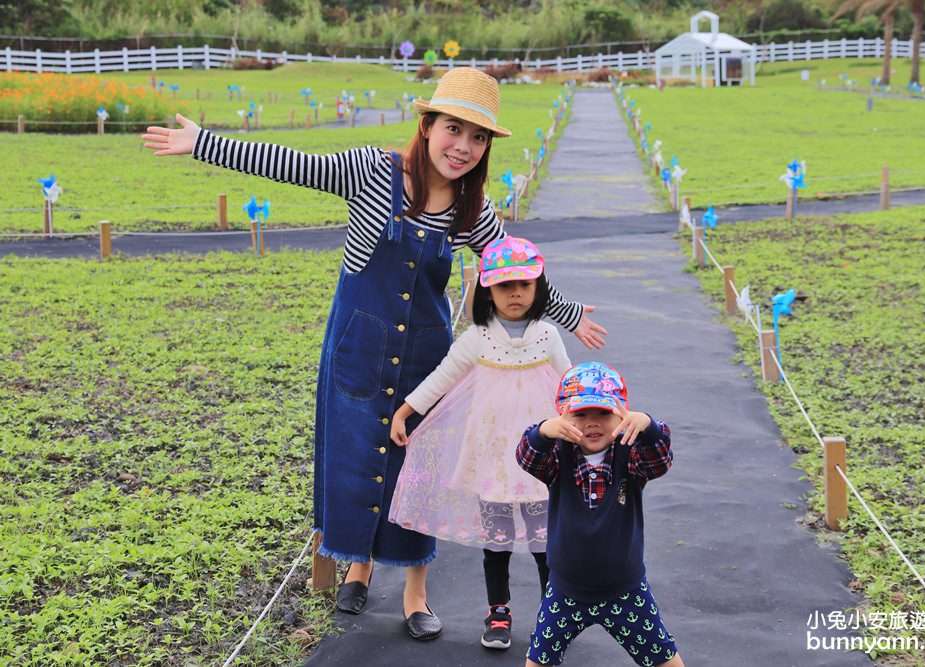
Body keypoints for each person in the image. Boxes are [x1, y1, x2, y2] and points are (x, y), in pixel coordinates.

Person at [140, 67, 608, 641]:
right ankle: (356, 567)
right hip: (359, 347)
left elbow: (517, 276)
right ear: (428, 123)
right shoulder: (371, 171)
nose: (463, 147)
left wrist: (571, 314)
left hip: (426, 354)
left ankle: (415, 592)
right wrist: (202, 142)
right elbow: (288, 163)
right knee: (357, 457)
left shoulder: (473, 210)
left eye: (477, 137)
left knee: (417, 470)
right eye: (453, 129)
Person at [388, 236, 571, 651]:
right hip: (491, 459)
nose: (516, 294)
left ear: (538, 287)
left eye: (525, 285)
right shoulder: (479, 337)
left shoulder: (547, 335)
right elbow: (443, 376)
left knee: (546, 545)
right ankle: (498, 612)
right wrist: (405, 411)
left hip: (540, 461)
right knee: (498, 543)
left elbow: (569, 385)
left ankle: (554, 614)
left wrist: (597, 424)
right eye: (506, 286)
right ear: (488, 289)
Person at [515, 362, 685, 667]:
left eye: (603, 414)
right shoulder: (557, 457)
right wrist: (542, 431)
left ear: (622, 416)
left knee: (665, 660)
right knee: (538, 661)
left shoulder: (631, 455)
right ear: (563, 417)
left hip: (625, 591)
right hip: (566, 591)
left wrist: (648, 425)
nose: (592, 423)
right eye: (580, 414)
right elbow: (527, 457)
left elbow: (660, 460)